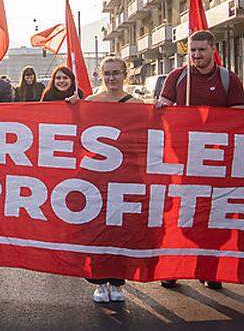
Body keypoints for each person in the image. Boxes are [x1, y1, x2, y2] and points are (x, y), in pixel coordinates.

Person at [155, 29, 244, 290]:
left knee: (211, 217)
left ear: (212, 50)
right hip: (181, 160)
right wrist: (161, 108)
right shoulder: (177, 77)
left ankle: (209, 268)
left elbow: (239, 120)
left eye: (201, 50)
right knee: (179, 215)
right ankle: (173, 267)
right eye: (192, 51)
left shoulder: (229, 80)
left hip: (214, 162)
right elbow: (162, 111)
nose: (196, 55)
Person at [83, 56, 141, 304]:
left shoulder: (138, 105)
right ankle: (99, 281)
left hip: (128, 174)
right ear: (100, 75)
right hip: (97, 175)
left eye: (116, 73)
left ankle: (117, 281)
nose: (111, 78)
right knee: (98, 229)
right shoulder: (91, 102)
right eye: (106, 73)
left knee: (121, 229)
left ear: (125, 74)